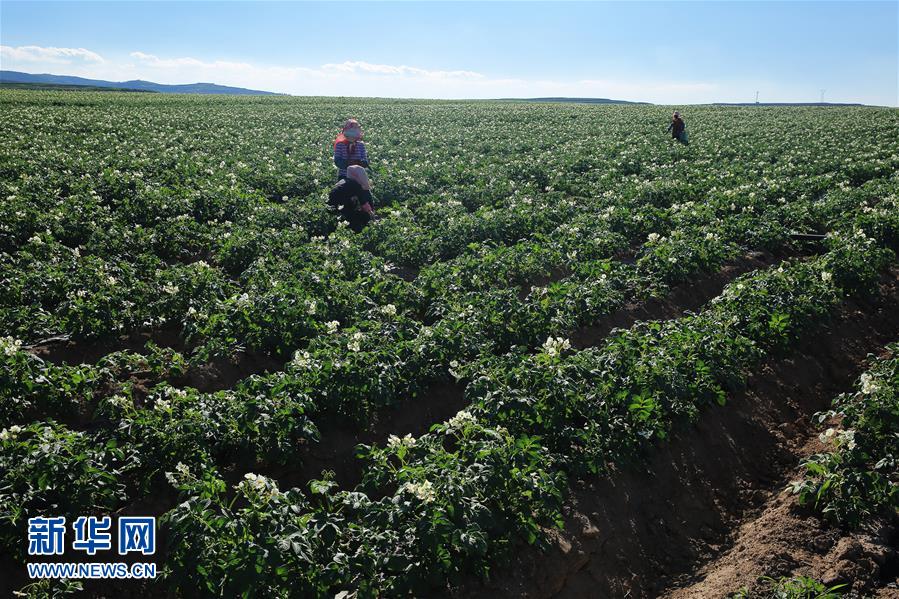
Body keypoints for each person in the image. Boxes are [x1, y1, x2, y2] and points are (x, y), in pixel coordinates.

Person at [327, 165, 376, 232]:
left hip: (330, 209)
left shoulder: (343, 181)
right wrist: (372, 217)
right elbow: (365, 206)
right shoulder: (356, 185)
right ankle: (356, 229)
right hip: (340, 210)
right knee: (363, 216)